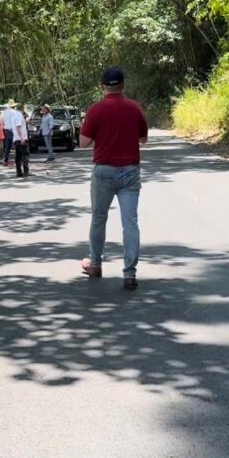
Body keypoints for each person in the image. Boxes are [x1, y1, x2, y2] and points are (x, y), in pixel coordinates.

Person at [78, 66, 148, 291]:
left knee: (99, 218)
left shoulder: (96, 109)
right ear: (123, 85)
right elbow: (143, 139)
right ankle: (129, 274)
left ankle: (96, 265)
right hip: (130, 171)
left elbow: (83, 142)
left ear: (102, 86)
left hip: (104, 171)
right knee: (130, 223)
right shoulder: (134, 108)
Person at [12, 103, 30, 178]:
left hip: (16, 138)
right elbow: (18, 127)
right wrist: (22, 137)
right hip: (21, 138)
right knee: (25, 155)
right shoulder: (19, 115)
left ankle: (19, 172)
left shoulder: (14, 115)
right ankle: (26, 171)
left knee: (18, 156)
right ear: (22, 108)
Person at [1, 99, 18, 166]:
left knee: (7, 147)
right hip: (13, 130)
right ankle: (17, 161)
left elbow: (1, 121)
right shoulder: (14, 112)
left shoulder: (4, 112)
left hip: (6, 130)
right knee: (17, 146)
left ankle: (5, 160)